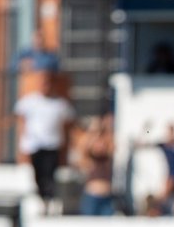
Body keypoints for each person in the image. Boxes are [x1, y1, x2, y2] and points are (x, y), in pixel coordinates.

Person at [14, 73, 75, 213]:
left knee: (49, 173)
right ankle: (42, 200)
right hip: (35, 144)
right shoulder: (30, 101)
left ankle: (49, 200)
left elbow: (70, 122)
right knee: (38, 174)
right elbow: (20, 119)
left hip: (52, 144)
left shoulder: (59, 104)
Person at [79, 115, 116, 216]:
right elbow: (84, 145)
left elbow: (111, 144)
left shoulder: (108, 156)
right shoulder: (88, 158)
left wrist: (106, 128)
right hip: (92, 196)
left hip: (106, 196)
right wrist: (93, 130)